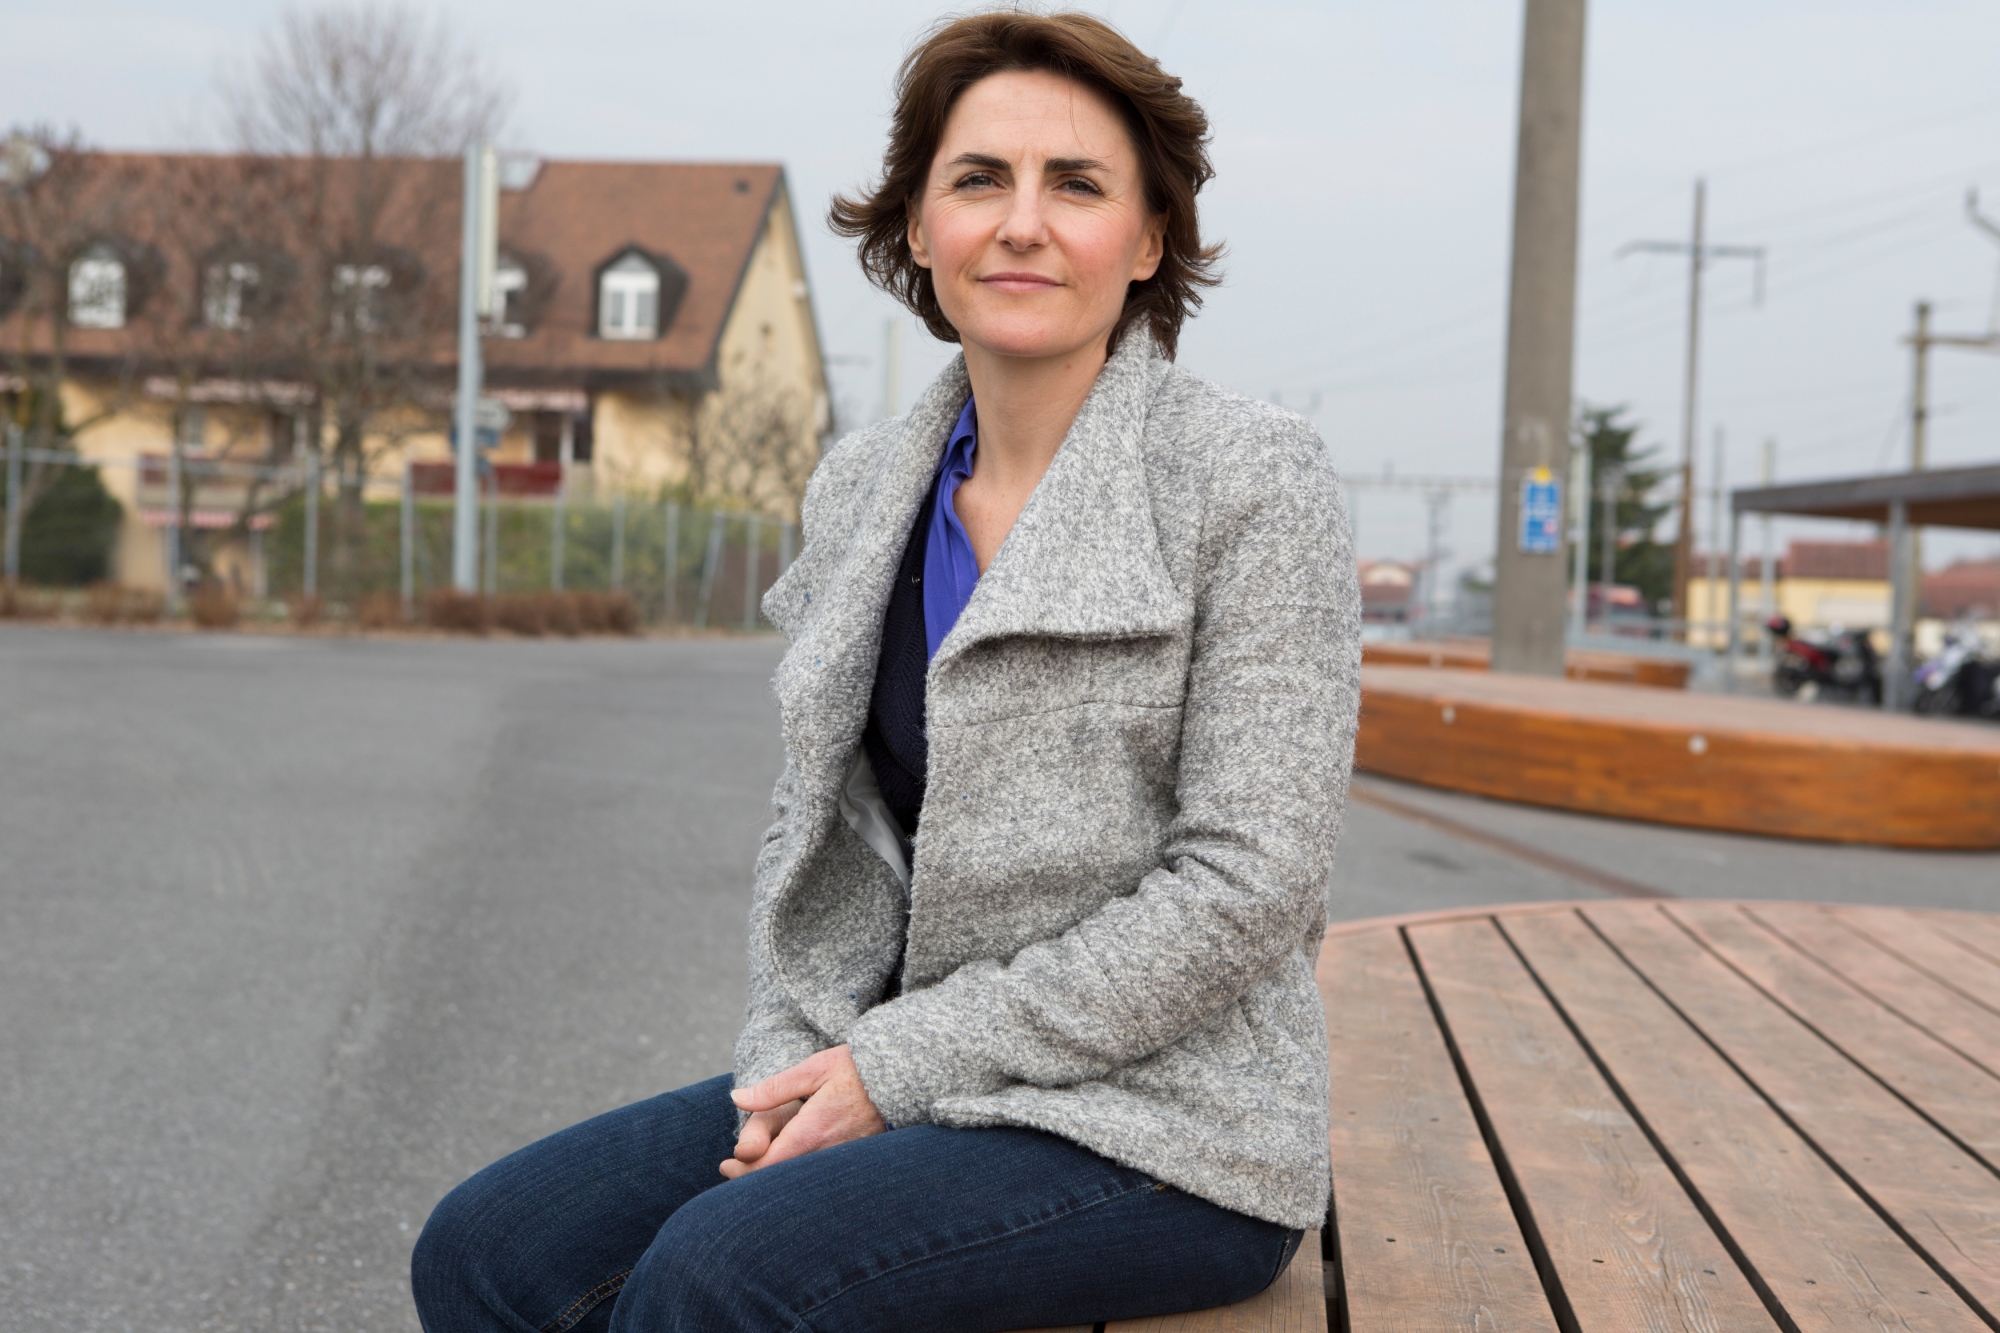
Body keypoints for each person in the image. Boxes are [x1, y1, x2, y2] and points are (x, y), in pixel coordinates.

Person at [411, 12, 1359, 1332]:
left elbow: (1247, 884)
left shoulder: (1250, 482)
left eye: (1076, 185)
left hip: (1169, 1121)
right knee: (488, 1247)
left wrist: (890, 1068)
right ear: (919, 225)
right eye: (980, 179)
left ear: (1146, 241)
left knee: (715, 1279)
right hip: (904, 1075)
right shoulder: (864, 486)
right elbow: (820, 834)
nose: (1022, 222)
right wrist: (788, 1068)